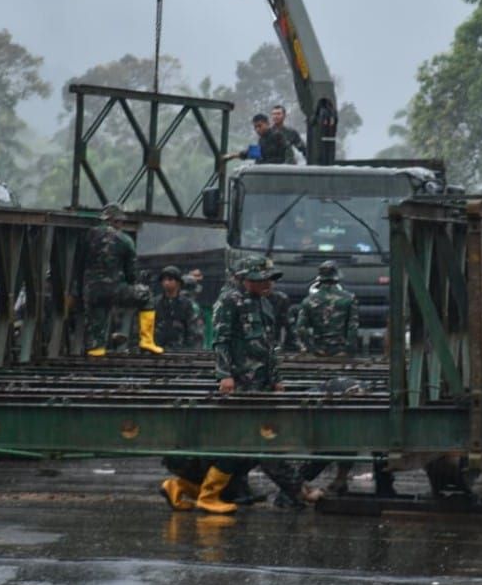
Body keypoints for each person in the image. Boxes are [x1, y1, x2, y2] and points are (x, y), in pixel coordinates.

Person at [160, 256, 320, 513]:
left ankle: (183, 487)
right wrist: (224, 375)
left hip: (260, 386)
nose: (268, 283)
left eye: (270, 279)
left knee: (252, 444)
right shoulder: (229, 302)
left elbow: (270, 347)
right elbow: (221, 341)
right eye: (263, 278)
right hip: (240, 385)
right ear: (247, 279)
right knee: (246, 442)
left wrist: (277, 380)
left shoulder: (265, 304)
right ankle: (210, 496)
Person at [75, 203, 162, 356]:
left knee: (97, 331)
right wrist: (129, 285)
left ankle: (97, 350)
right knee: (146, 295)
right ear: (116, 221)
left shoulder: (87, 236)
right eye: (121, 222)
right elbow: (131, 274)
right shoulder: (124, 240)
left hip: (91, 292)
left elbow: (79, 264)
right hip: (115, 290)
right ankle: (147, 341)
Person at [295, 261, 361, 356]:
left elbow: (301, 328)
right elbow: (353, 328)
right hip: (341, 350)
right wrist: (349, 350)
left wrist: (312, 348)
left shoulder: (308, 301)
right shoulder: (349, 299)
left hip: (319, 349)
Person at [154, 265, 204, 351]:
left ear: (178, 283)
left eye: (170, 279)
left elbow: (194, 333)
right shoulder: (155, 303)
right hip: (157, 350)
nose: (166, 283)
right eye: (164, 280)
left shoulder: (187, 304)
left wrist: (190, 352)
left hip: (180, 352)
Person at [224, 114, 289, 165]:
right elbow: (256, 152)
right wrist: (233, 156)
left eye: (259, 126)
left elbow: (285, 157)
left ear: (267, 124)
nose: (257, 129)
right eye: (255, 127)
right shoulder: (262, 139)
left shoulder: (277, 136)